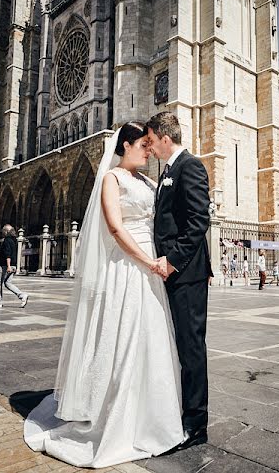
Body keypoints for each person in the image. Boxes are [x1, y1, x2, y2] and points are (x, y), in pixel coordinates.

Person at [24, 122, 185, 467]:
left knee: (149, 338)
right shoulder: (112, 179)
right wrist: (148, 261)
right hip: (127, 267)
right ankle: (113, 415)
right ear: (125, 145)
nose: (149, 149)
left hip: (150, 268)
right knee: (122, 335)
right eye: (144, 144)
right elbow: (114, 226)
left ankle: (152, 417)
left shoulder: (148, 182)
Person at [147, 113, 212, 451]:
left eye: (151, 141)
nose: (150, 148)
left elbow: (200, 220)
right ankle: (183, 412)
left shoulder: (190, 166)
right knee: (179, 346)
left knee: (191, 347)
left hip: (187, 274)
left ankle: (196, 425)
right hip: (173, 274)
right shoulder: (169, 171)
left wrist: (172, 261)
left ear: (164, 138)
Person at [0, 225, 29, 309]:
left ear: (6, 231)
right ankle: (22, 295)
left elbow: (8, 254)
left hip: (5, 266)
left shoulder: (6, 240)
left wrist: (8, 266)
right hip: (13, 265)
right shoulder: (14, 241)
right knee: (7, 283)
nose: (2, 232)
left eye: (3, 231)